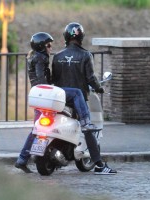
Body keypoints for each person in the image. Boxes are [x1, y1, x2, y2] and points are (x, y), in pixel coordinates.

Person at [15, 32, 97, 173]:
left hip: (39, 96)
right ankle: (85, 121)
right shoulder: (41, 58)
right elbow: (42, 78)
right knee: (77, 93)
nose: (50, 48)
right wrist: (52, 88)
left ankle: (22, 159)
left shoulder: (34, 57)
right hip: (45, 95)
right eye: (48, 45)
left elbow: (44, 78)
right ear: (42, 46)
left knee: (36, 129)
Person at [52, 22, 117, 175]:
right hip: (77, 101)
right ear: (81, 36)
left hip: (60, 100)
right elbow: (91, 78)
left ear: (66, 37)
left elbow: (54, 79)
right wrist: (98, 88)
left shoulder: (57, 56)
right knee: (88, 129)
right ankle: (100, 165)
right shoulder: (85, 55)